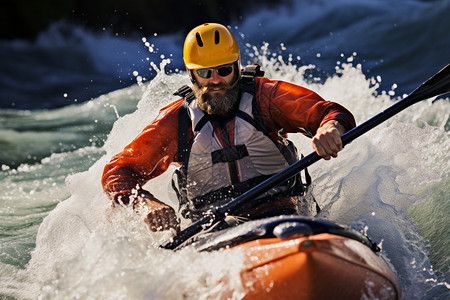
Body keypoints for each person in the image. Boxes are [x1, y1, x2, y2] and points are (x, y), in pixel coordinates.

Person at [101, 23, 356, 232]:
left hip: (287, 217)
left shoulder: (266, 97)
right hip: (215, 231)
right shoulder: (177, 121)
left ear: (236, 67)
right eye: (205, 72)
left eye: (223, 70)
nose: (215, 80)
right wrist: (145, 203)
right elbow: (118, 172)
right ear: (191, 76)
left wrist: (330, 128)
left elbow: (329, 112)